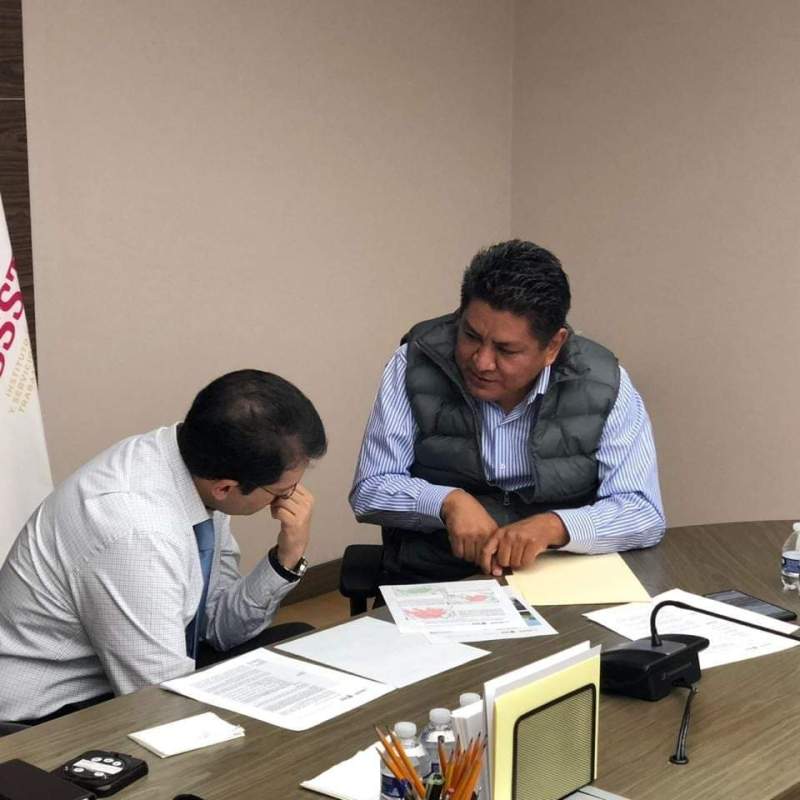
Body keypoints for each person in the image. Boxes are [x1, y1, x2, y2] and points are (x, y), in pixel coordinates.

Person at [0, 369, 326, 724]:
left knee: (298, 645)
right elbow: (159, 706)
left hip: (127, 680)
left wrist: (286, 558)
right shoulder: (137, 532)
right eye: (282, 491)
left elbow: (215, 629)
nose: (292, 498)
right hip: (44, 721)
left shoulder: (193, 468)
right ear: (226, 488)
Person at [350, 239, 665, 584]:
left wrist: (556, 526)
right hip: (438, 575)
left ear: (553, 346)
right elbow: (370, 489)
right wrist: (447, 502)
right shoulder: (414, 362)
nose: (481, 362)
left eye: (506, 350)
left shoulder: (602, 382)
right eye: (470, 335)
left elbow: (643, 512)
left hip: (553, 577)